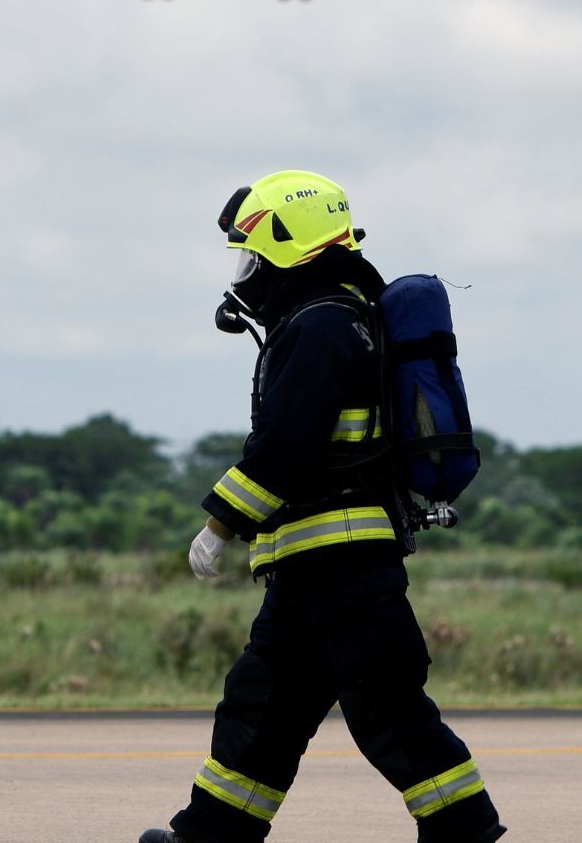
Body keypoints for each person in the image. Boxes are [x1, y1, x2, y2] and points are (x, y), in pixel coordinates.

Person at [140, 171, 506, 843]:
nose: (243, 270)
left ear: (285, 243)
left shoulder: (321, 324)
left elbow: (287, 447)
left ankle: (465, 831)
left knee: (388, 711)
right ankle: (211, 834)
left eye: (249, 251)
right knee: (262, 708)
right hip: (312, 563)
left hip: (343, 564)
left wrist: (220, 524)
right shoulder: (334, 317)